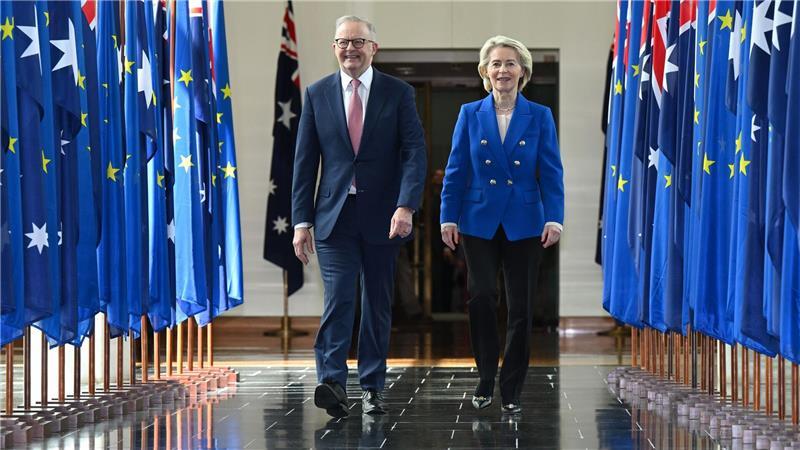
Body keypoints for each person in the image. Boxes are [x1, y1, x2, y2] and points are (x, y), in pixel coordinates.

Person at [291, 15, 427, 418]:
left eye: (358, 42)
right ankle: (332, 383)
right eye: (343, 42)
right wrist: (301, 221)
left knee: (376, 303)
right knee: (339, 299)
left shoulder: (398, 93)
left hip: (385, 218)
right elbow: (304, 163)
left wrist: (406, 205)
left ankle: (372, 387)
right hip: (334, 217)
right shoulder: (317, 94)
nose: (350, 49)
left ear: (373, 48)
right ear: (334, 48)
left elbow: (414, 153)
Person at [439, 35, 564, 414]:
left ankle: (512, 387)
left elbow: (551, 171)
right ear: (485, 71)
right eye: (496, 63)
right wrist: (448, 215)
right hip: (478, 220)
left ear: (523, 71)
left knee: (521, 306)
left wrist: (555, 217)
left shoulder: (539, 115)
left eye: (510, 63)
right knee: (481, 297)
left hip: (525, 221)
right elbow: (456, 169)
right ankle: (485, 377)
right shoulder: (469, 113)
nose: (503, 70)